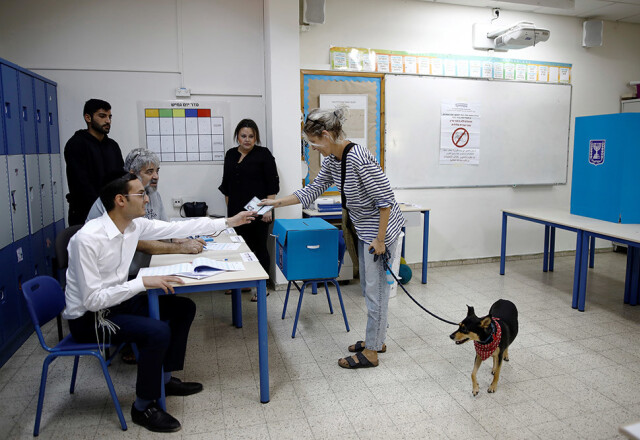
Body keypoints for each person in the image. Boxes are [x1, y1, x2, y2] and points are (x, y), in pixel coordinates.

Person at [63, 173, 256, 432]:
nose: (146, 198)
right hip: (90, 318)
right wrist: (143, 282)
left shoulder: (132, 226)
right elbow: (93, 299)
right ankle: (143, 406)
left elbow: (178, 227)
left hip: (118, 302)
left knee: (183, 308)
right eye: (140, 194)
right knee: (157, 331)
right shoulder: (87, 239)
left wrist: (230, 221)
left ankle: (164, 380)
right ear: (120, 200)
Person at [260, 107, 404, 369]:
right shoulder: (332, 161)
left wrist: (381, 240)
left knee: (375, 291)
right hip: (362, 229)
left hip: (380, 231)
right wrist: (275, 202)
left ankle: (371, 352)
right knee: (369, 288)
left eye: (313, 142)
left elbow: (386, 202)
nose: (312, 148)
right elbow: (313, 190)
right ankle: (377, 339)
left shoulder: (358, 158)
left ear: (326, 135)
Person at [87, 148, 206, 277]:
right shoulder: (118, 198)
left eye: (157, 171)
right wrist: (180, 248)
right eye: (150, 172)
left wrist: (176, 239)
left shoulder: (153, 194)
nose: (156, 176)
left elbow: (161, 228)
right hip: (120, 277)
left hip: (146, 268)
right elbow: (136, 242)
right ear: (133, 174)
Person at [219, 119, 279, 301]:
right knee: (238, 248)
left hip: (258, 211)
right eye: (243, 136)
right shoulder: (230, 154)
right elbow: (226, 185)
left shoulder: (263, 154)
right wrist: (230, 212)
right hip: (236, 212)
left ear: (256, 137)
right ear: (237, 136)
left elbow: (273, 184)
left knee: (258, 247)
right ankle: (242, 283)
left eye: (251, 136)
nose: (247, 139)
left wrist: (268, 209)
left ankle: (261, 288)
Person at [64, 98, 124, 226]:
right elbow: (81, 185)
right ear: (88, 117)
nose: (108, 121)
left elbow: (120, 178)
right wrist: (102, 208)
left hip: (113, 212)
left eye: (109, 117)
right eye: (102, 116)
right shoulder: (76, 144)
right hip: (85, 213)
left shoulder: (113, 146)